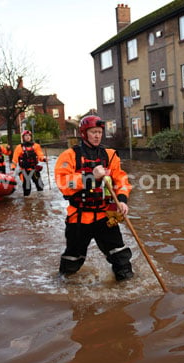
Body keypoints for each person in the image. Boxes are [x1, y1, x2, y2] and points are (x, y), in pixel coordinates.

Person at [54, 115, 134, 281]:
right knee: (72, 260)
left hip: (106, 215)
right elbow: (63, 183)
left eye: (99, 132)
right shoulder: (69, 155)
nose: (97, 135)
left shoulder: (110, 155)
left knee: (121, 258)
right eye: (93, 132)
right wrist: (91, 176)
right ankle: (64, 284)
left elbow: (122, 181)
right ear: (84, 134)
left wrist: (122, 201)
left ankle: (127, 289)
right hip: (79, 217)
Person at [11, 130, 45, 196]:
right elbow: (14, 159)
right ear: (23, 137)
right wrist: (13, 167)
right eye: (26, 136)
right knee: (27, 188)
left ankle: (41, 200)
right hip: (24, 170)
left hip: (34, 169)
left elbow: (40, 155)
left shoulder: (36, 146)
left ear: (31, 137)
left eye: (29, 135)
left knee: (40, 185)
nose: (28, 137)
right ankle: (27, 201)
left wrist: (43, 159)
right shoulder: (19, 147)